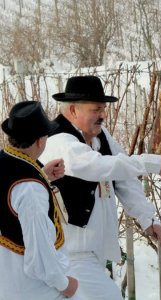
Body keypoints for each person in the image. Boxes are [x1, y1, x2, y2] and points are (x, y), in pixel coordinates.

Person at [39, 75, 161, 300]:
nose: (103, 115)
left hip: (90, 254)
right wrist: (154, 163)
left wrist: (148, 219)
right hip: (69, 256)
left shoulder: (100, 137)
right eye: (96, 109)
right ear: (74, 110)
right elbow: (97, 166)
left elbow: (122, 178)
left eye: (103, 109)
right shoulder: (58, 140)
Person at [0, 101, 79, 299]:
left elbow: (11, 197)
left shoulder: (5, 161)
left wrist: (42, 176)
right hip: (36, 290)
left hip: (8, 280)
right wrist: (64, 284)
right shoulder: (31, 189)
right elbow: (39, 255)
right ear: (39, 141)